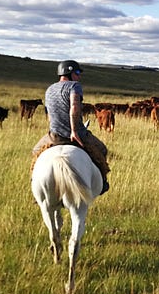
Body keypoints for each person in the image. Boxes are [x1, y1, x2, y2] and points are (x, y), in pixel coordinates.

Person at [32, 60, 110, 194]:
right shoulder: (74, 86)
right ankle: (102, 183)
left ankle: (35, 185)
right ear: (68, 72)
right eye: (77, 72)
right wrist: (74, 131)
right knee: (102, 149)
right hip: (78, 134)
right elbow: (74, 107)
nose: (79, 76)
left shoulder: (49, 89)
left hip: (54, 136)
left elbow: (50, 114)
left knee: (35, 152)